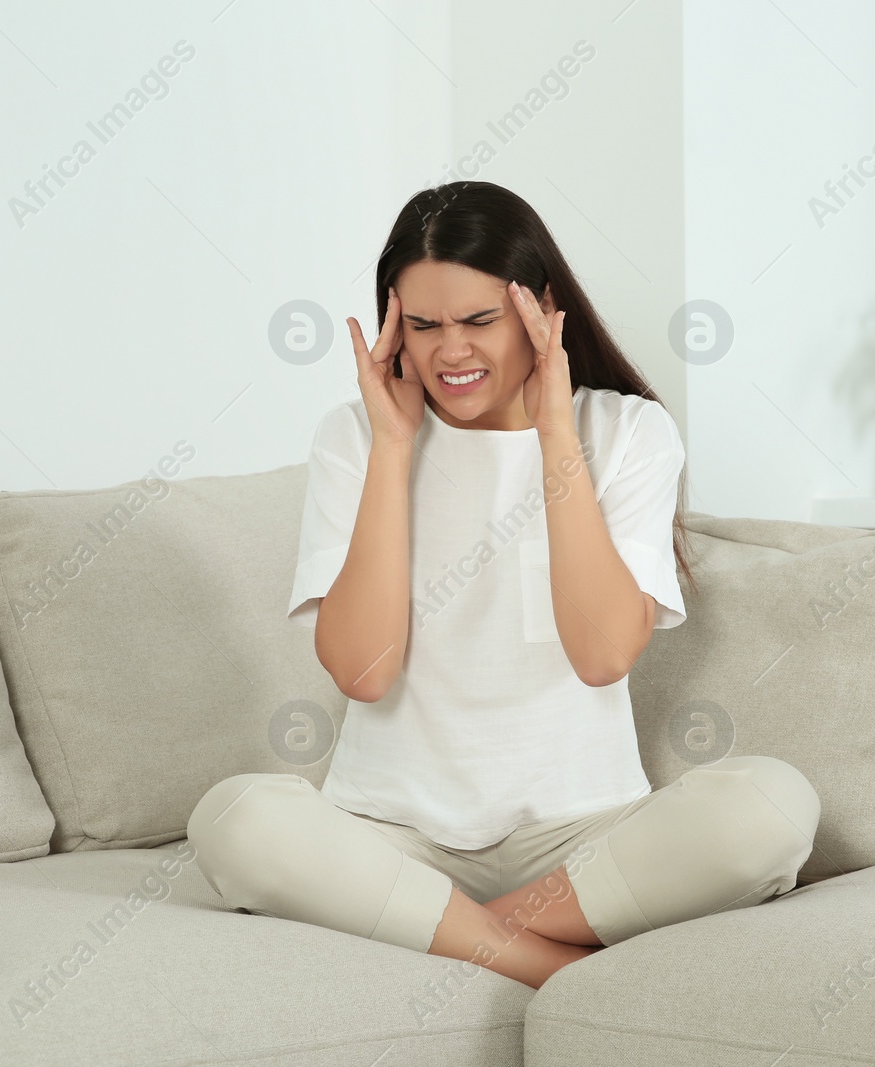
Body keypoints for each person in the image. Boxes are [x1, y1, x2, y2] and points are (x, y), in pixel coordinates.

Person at [188, 180, 819, 990]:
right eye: (423, 326)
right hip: (388, 830)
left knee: (771, 808)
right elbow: (364, 670)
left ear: (542, 308)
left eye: (479, 321)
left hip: (581, 837)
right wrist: (392, 447)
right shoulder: (353, 438)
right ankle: (542, 965)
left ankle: (446, 928)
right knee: (238, 820)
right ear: (392, 328)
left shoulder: (626, 432)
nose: (451, 352)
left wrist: (555, 430)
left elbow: (601, 654)